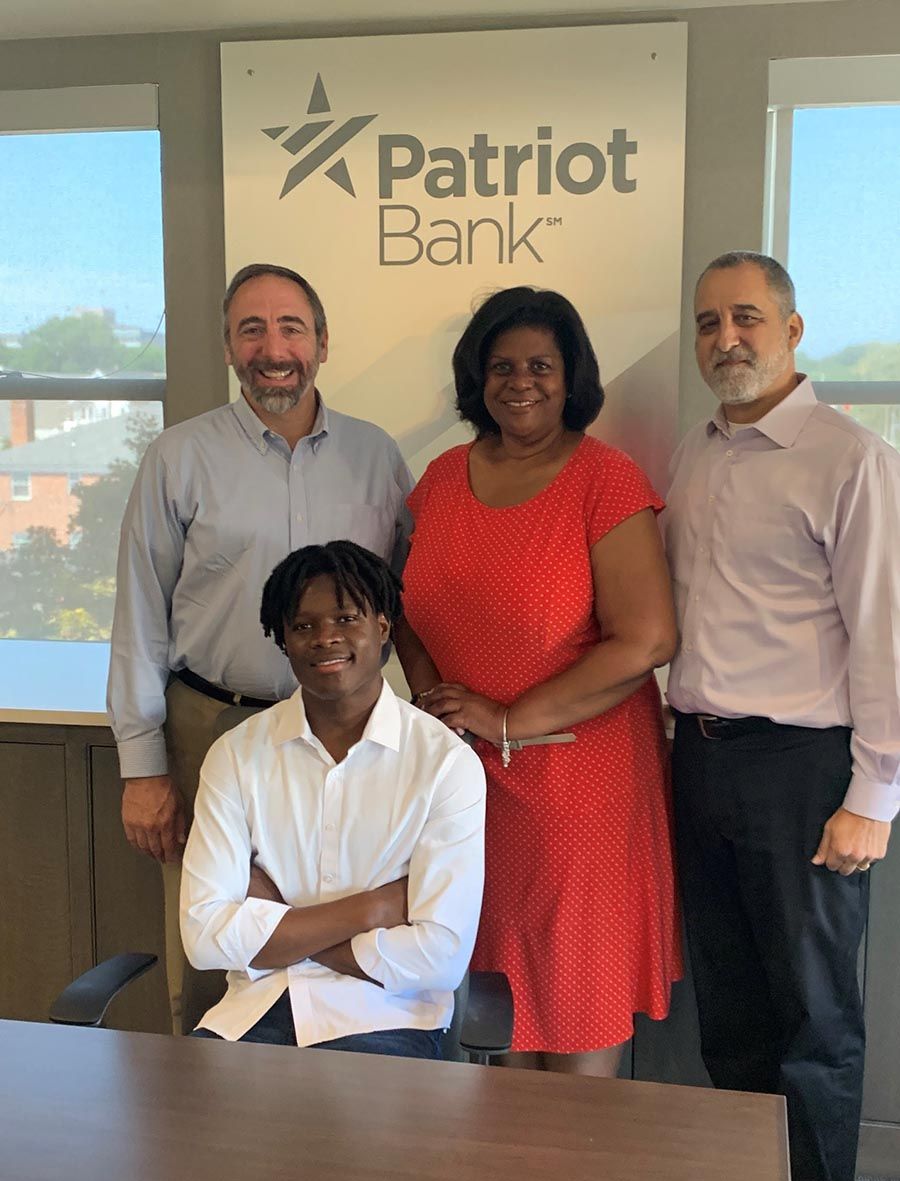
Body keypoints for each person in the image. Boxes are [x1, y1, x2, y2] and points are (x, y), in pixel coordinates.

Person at [107, 263, 414, 1033]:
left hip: (347, 736)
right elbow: (140, 612)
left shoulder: (377, 459)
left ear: (322, 343)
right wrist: (143, 767)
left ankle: (346, 1111)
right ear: (228, 348)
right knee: (221, 949)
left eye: (290, 328)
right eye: (252, 329)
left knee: (351, 931)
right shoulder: (178, 458)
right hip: (215, 727)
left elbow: (406, 603)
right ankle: (210, 1119)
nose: (272, 348)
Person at [662, 250, 900, 1181]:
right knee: (731, 1011)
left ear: (792, 330)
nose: (727, 339)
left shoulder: (852, 460)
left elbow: (887, 636)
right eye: (710, 323)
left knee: (814, 1021)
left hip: (805, 773)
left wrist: (874, 796)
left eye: (747, 319)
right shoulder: (695, 451)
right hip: (701, 760)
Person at [400, 286, 682, 1076]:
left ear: (572, 377)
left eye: (540, 365)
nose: (520, 382)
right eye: (501, 366)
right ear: (476, 378)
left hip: (577, 788)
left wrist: (508, 719)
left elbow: (650, 638)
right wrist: (439, 708)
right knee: (493, 1019)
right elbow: (408, 609)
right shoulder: (442, 478)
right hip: (467, 785)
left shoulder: (606, 480)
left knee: (575, 1013)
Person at [180, 540, 486, 1053]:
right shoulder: (235, 756)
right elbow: (204, 937)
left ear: (383, 628)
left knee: (333, 1133)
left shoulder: (444, 764)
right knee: (191, 1128)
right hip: (249, 1018)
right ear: (283, 641)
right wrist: (371, 909)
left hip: (386, 1020)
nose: (325, 638)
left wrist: (281, 921)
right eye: (303, 626)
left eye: (346, 619)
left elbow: (441, 957)